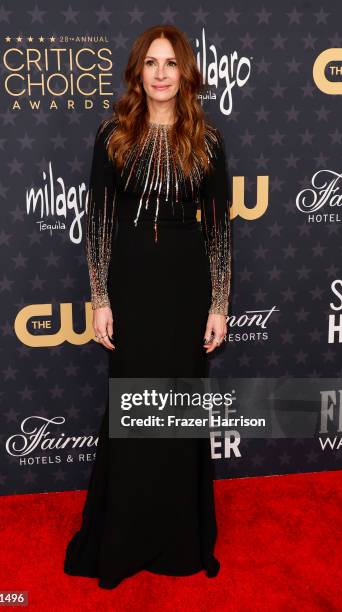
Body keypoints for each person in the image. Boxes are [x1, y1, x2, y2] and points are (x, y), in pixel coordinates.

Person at [64, 24, 232, 589]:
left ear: (185, 73)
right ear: (138, 72)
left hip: (186, 289)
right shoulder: (112, 135)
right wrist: (100, 297)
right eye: (151, 63)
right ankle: (125, 535)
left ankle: (179, 537)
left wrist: (219, 303)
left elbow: (220, 232)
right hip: (131, 285)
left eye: (171, 63)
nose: (161, 73)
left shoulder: (208, 140)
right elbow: (100, 225)